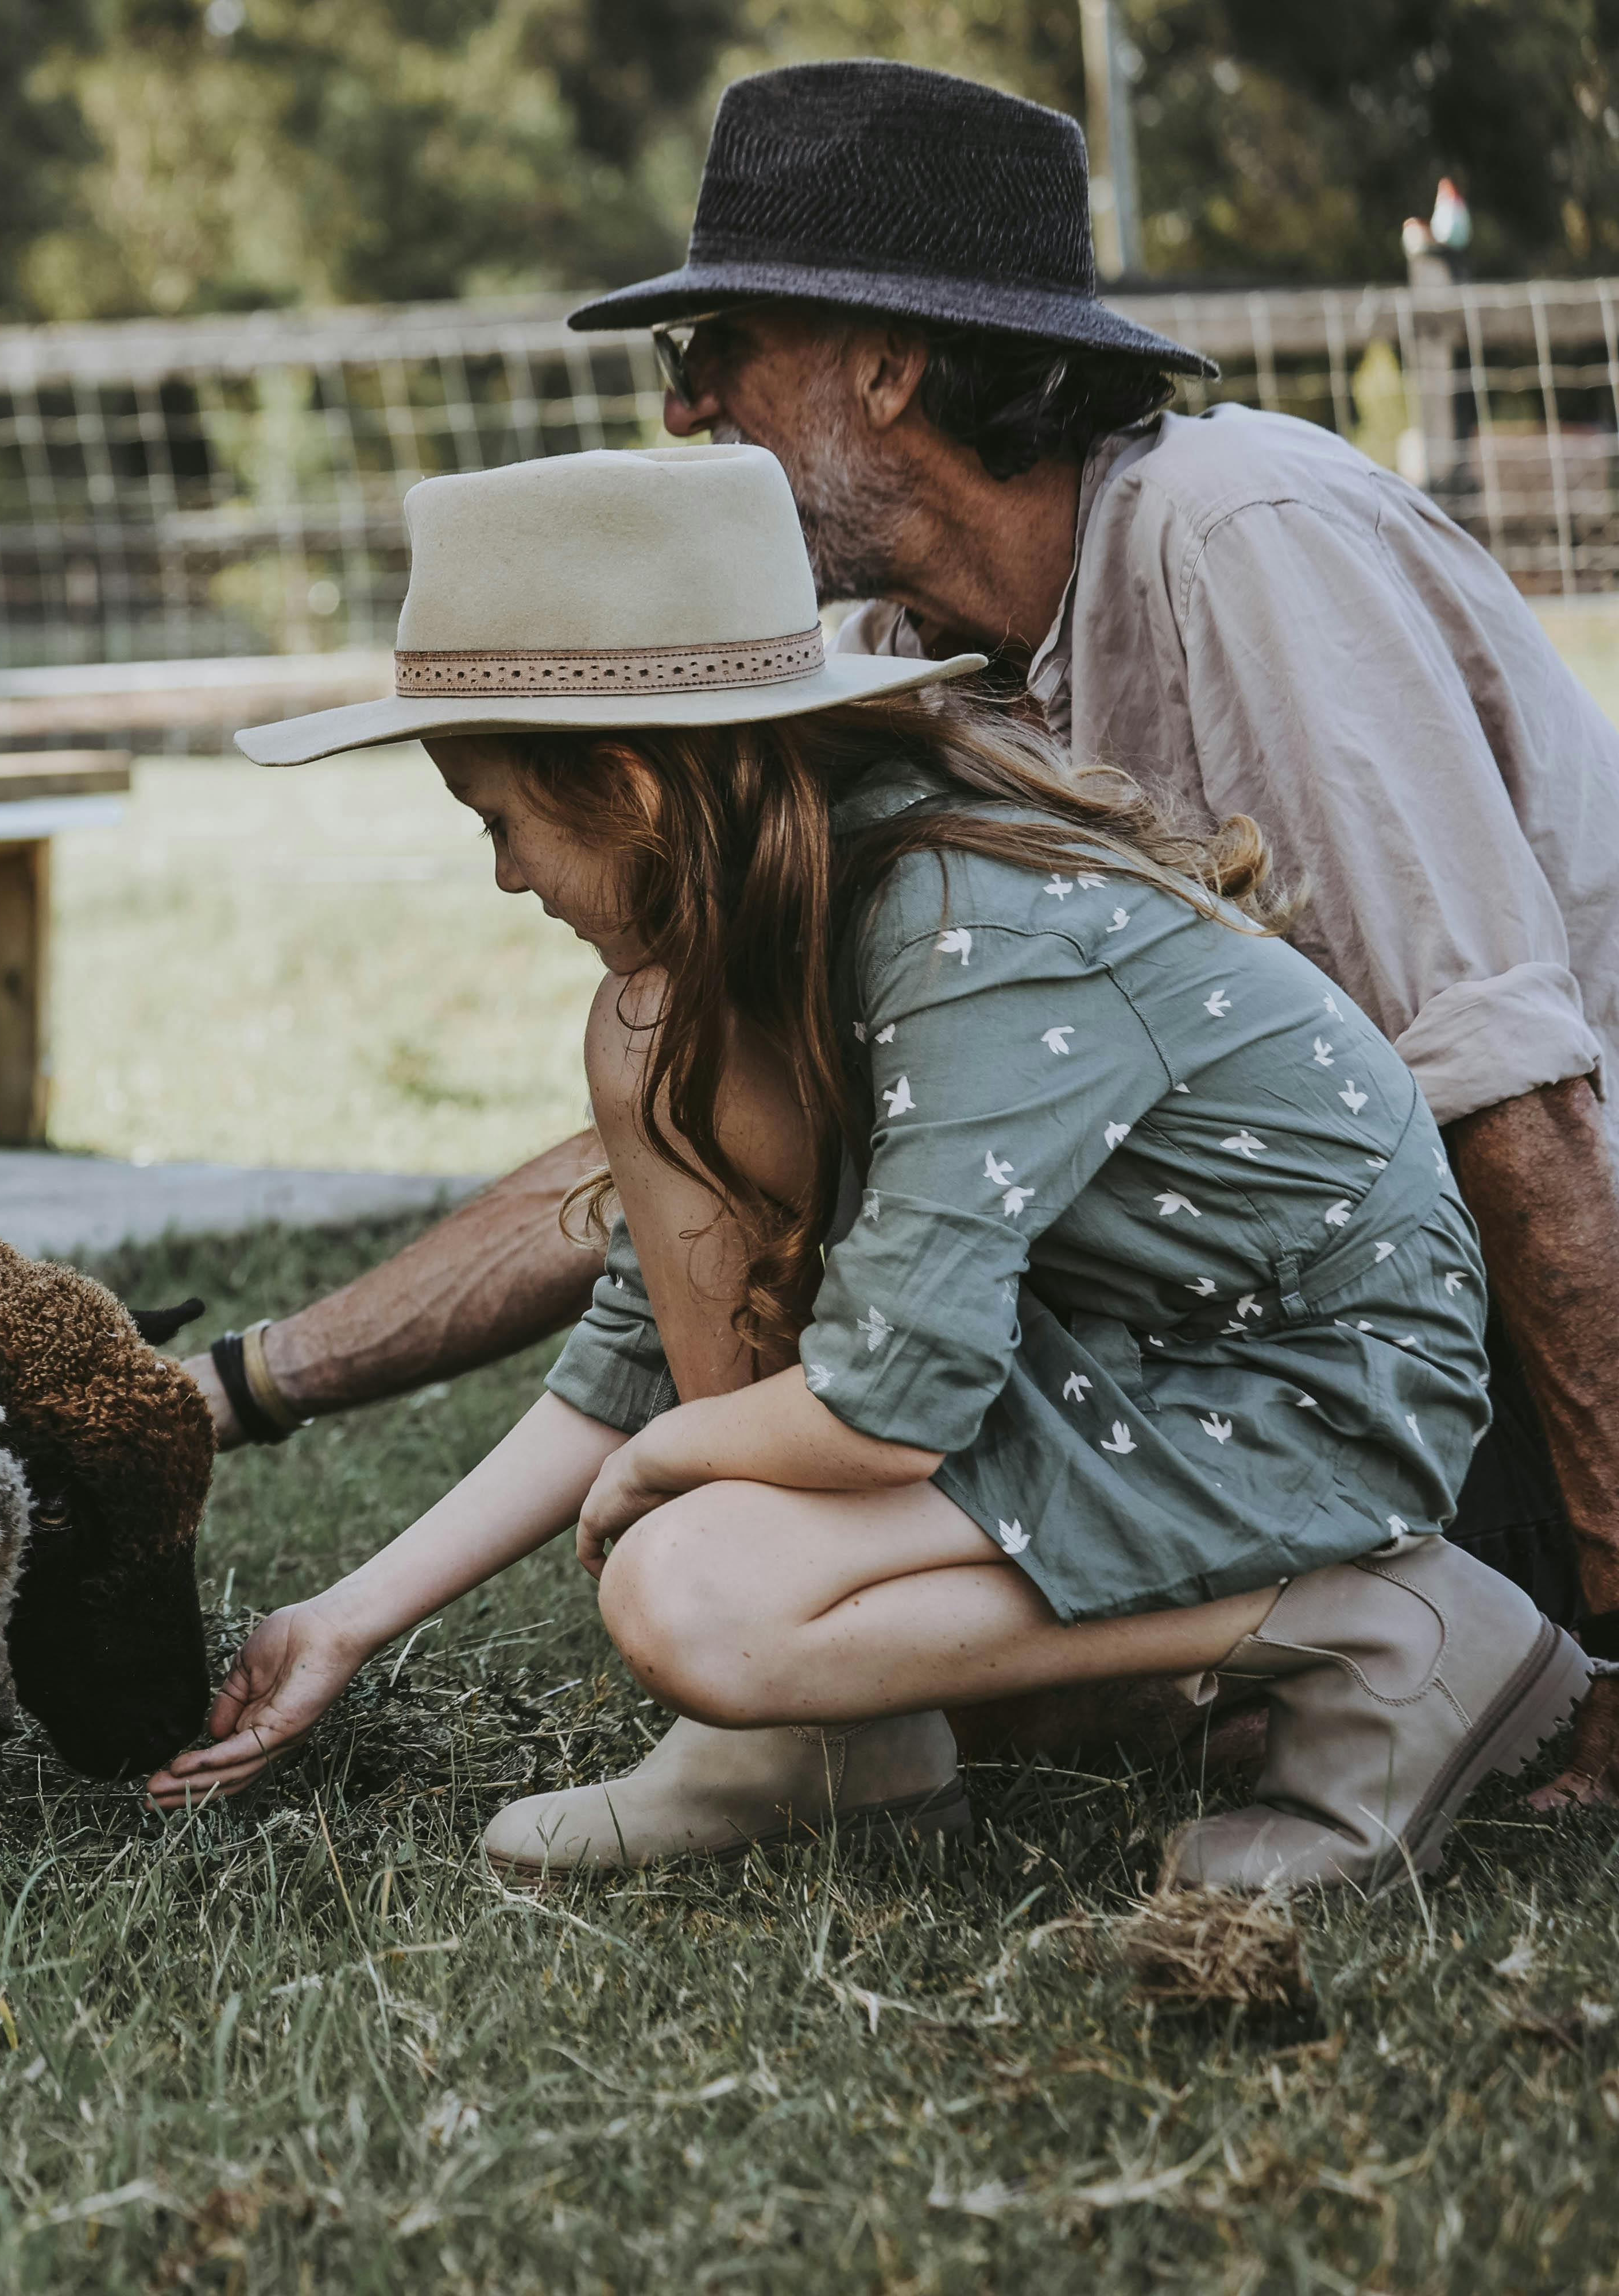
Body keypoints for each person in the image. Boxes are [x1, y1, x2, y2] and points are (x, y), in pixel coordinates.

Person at [188, 58, 1619, 1808]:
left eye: (714, 353)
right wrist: (251, 1384)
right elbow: (695, 1148)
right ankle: (827, 1731)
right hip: (1224, 1317)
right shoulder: (901, 664)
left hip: (1496, 1326)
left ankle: (1444, 1630)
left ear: (887, 359)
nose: (687, 410)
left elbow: (1520, 1106)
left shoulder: (1233, 536)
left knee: (864, 1580)